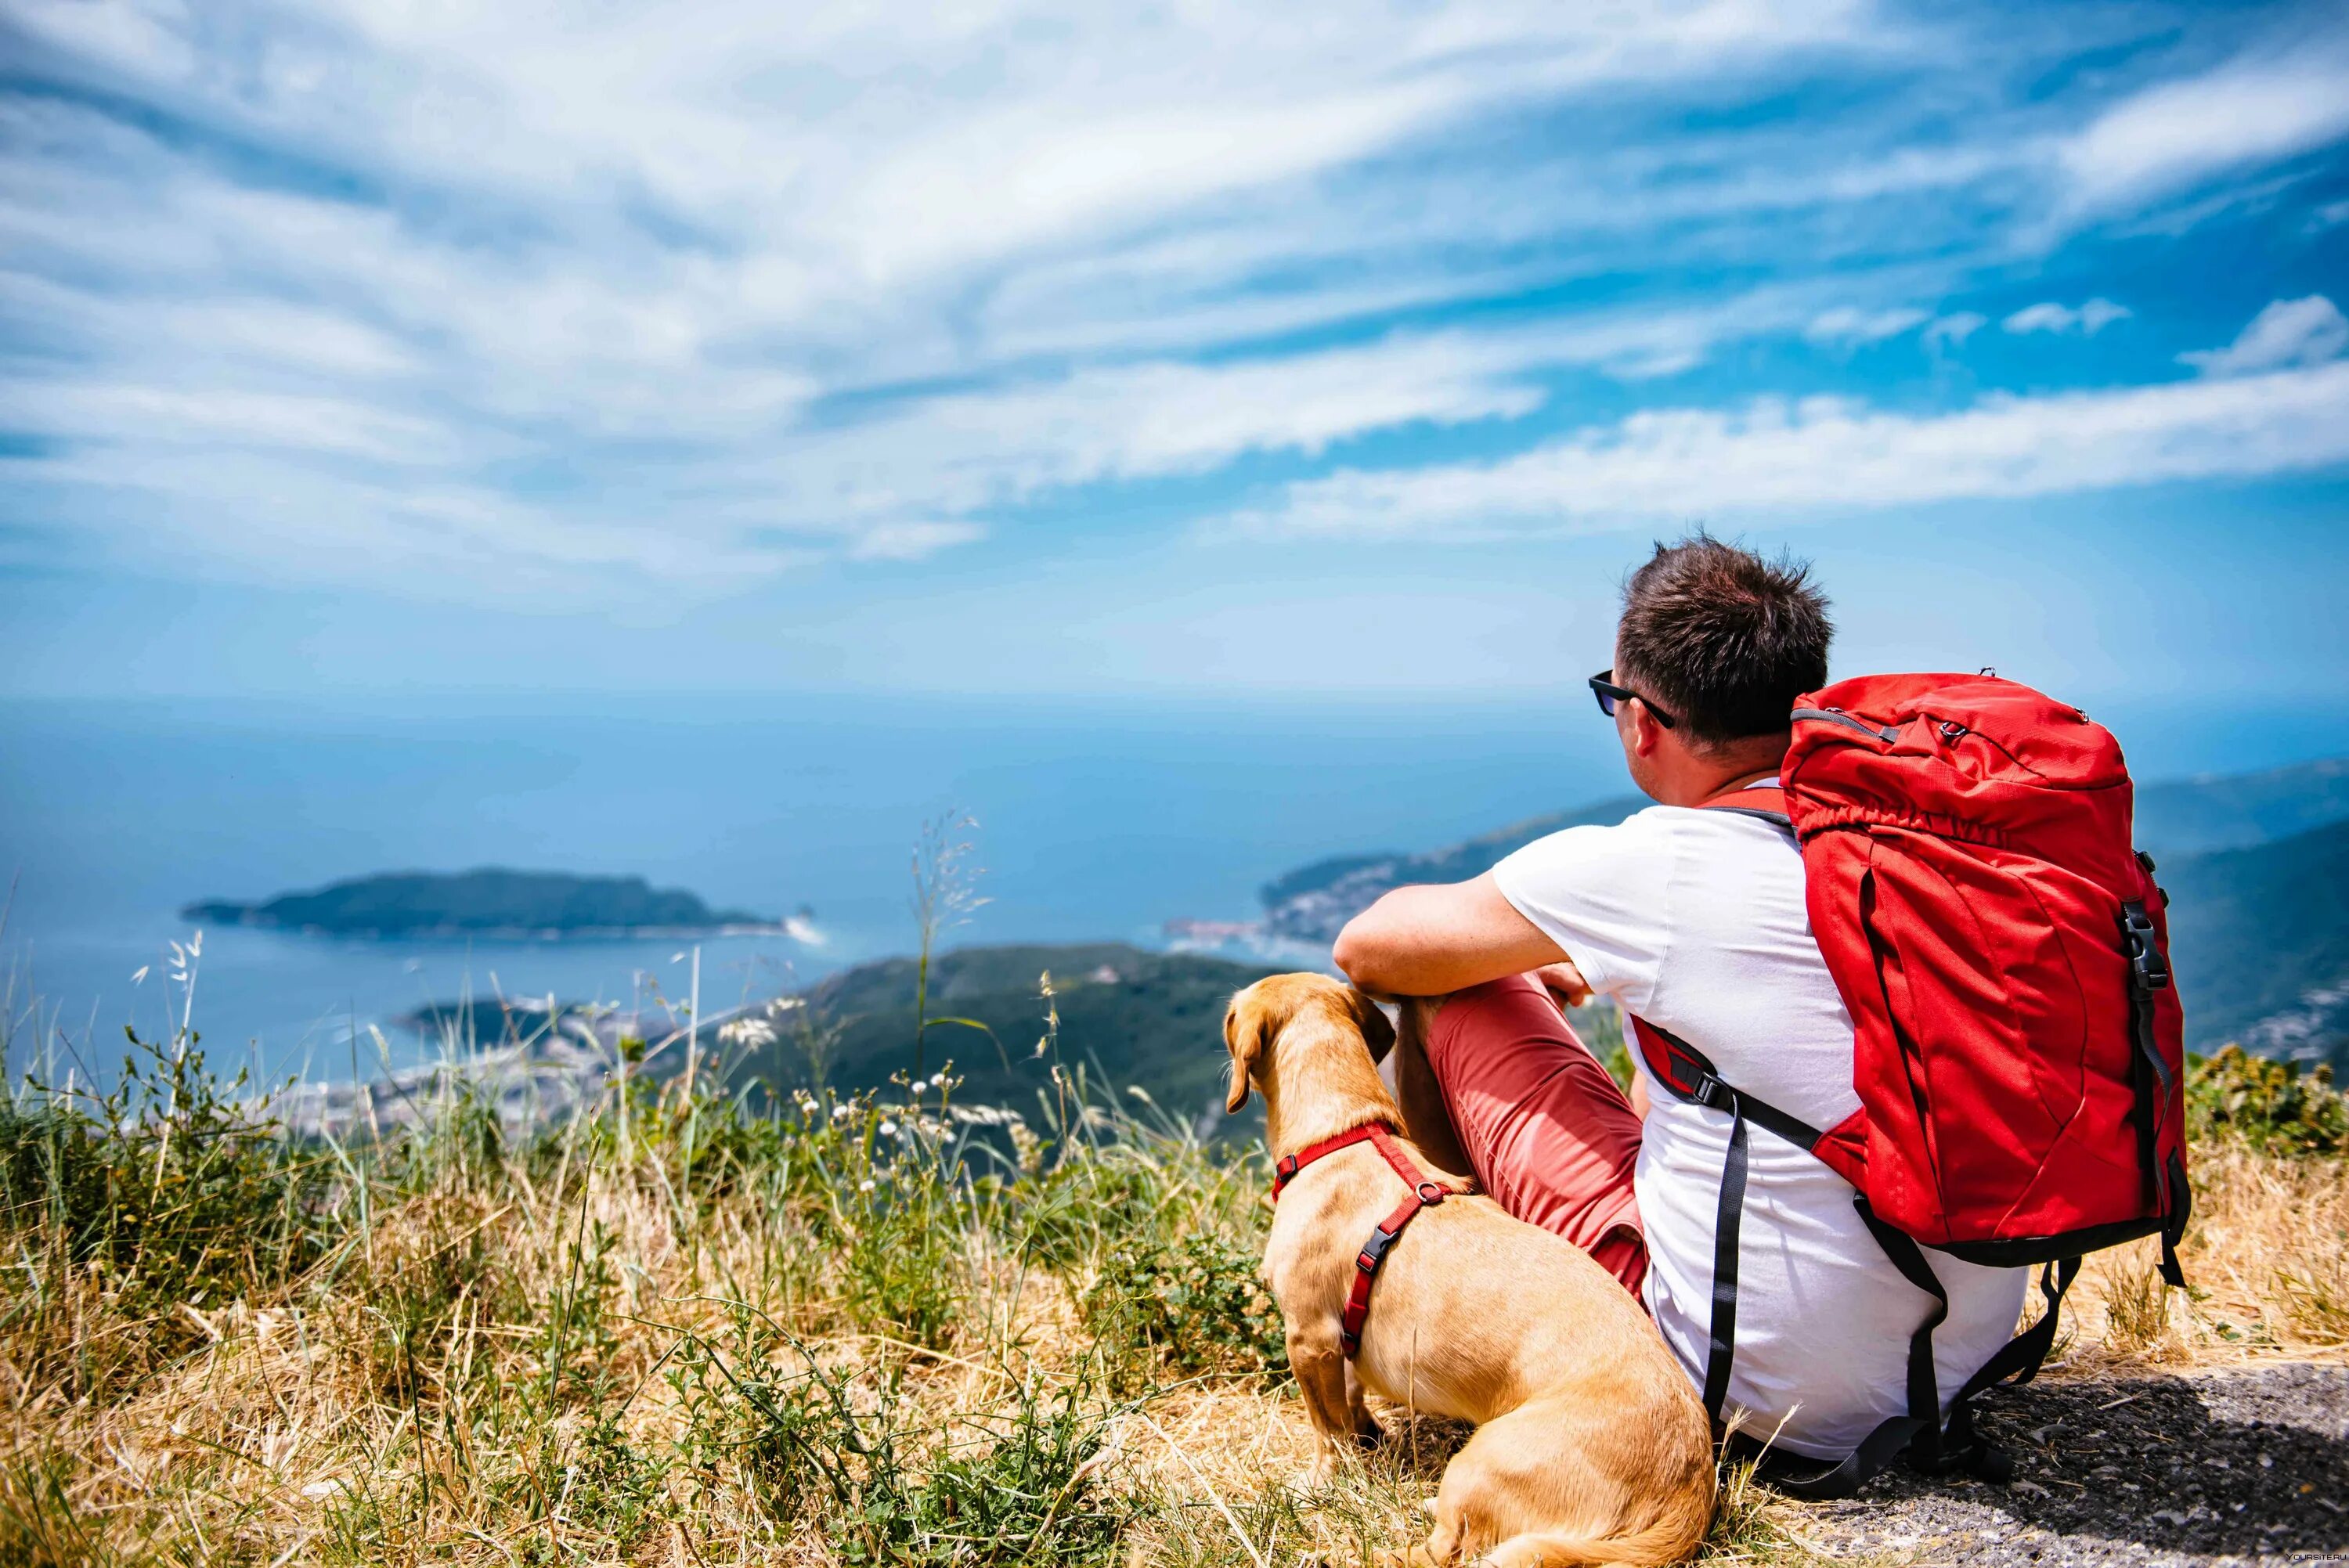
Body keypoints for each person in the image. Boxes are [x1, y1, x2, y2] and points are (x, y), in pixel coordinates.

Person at [1332, 532, 2027, 1461]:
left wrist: (1511, 961)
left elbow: (1370, 948)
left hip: (1757, 1389)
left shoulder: (1657, 864)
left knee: (1451, 988)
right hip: (1957, 1357)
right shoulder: (1915, 845)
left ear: (1642, 720)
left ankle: (1470, 1297)